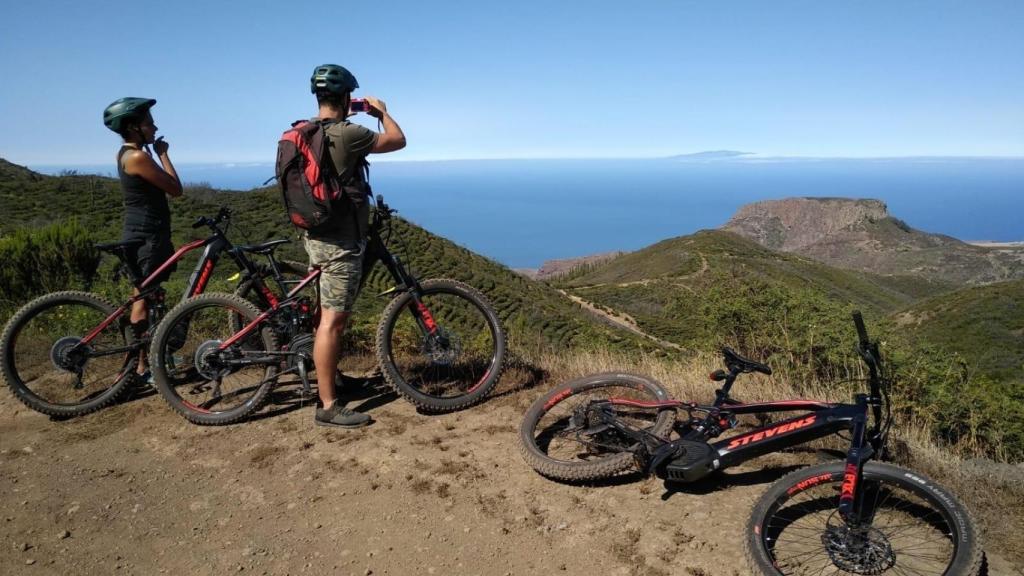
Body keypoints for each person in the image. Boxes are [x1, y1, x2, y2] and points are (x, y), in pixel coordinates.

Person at [304, 64, 406, 428]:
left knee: (326, 315)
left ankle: (335, 378)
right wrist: (381, 113)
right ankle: (328, 405)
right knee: (333, 321)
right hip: (341, 243)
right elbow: (397, 140)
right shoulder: (348, 133)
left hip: (316, 236)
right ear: (348, 98)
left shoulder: (305, 131)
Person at [102, 97, 183, 379]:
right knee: (142, 300)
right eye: (149, 123)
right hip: (148, 235)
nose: (154, 127)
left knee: (145, 296)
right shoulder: (138, 157)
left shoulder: (124, 153)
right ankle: (137, 368)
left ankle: (147, 359)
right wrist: (163, 153)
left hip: (140, 232)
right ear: (134, 127)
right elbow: (175, 188)